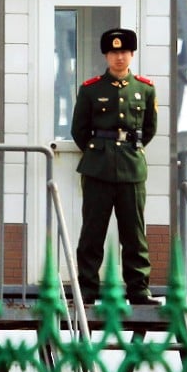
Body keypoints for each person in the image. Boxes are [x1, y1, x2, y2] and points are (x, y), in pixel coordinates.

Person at [71, 27, 161, 306]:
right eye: (113, 52)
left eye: (123, 52)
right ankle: (87, 289)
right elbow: (79, 131)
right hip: (97, 167)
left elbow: (148, 129)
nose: (118, 57)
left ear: (131, 54)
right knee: (92, 231)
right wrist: (100, 149)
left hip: (132, 168)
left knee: (134, 233)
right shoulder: (90, 89)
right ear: (106, 55)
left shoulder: (145, 89)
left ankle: (138, 289)